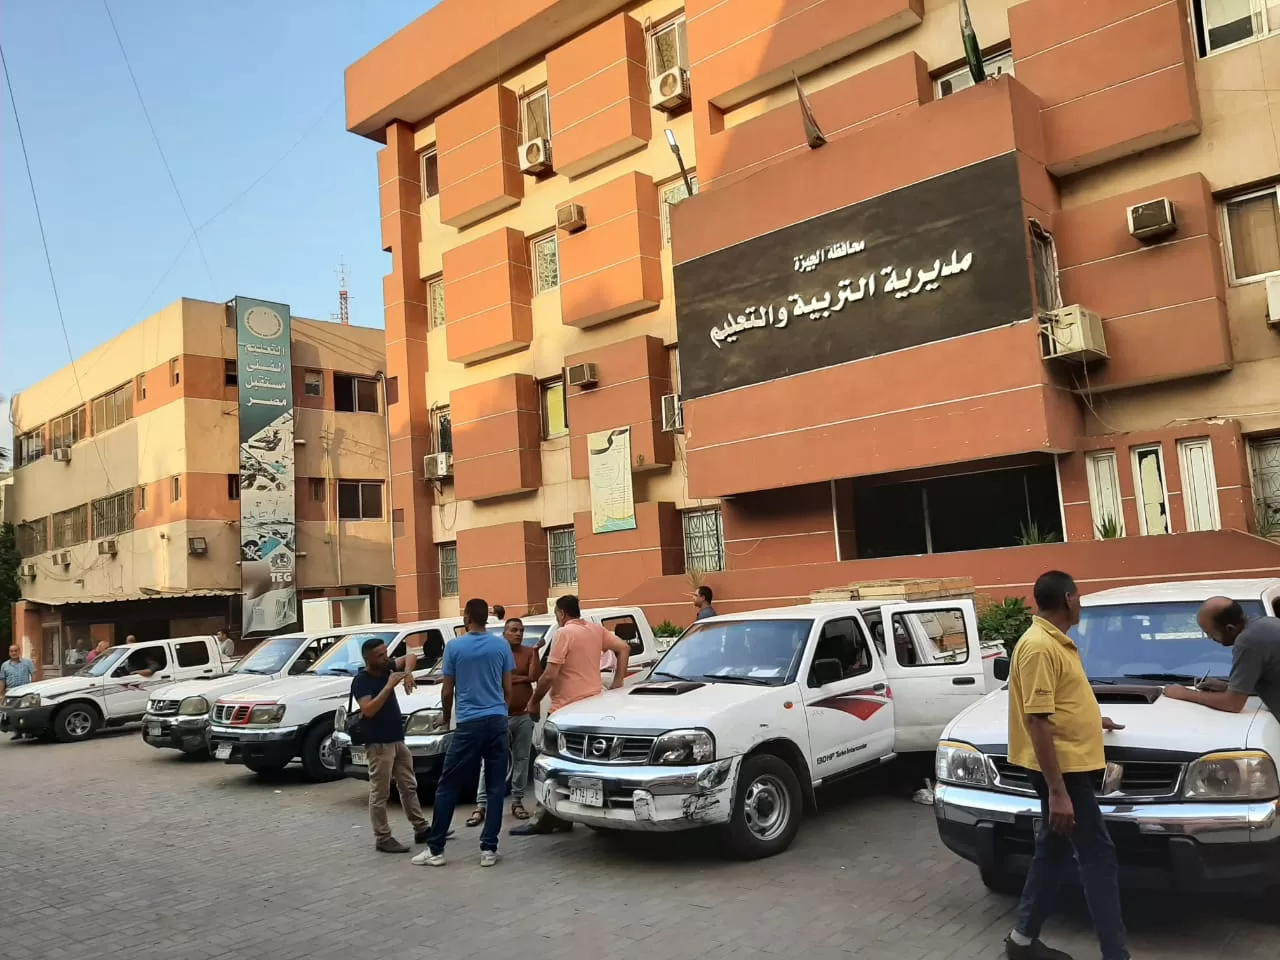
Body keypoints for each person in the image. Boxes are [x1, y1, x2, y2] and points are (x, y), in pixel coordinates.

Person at [1004, 571, 1128, 960]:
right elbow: (1037, 721)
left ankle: (1022, 941)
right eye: (1080, 597)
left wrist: (1093, 720)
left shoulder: (1054, 642)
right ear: (1069, 599)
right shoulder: (1040, 647)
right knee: (1098, 856)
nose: (1081, 604)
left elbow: (1057, 705)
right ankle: (1116, 955)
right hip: (1063, 771)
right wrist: (1058, 792)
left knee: (1054, 850)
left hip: (1066, 766)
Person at [510, 595, 631, 837]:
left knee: (550, 764)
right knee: (582, 765)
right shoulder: (596, 630)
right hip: (592, 707)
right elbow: (624, 648)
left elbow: (550, 674)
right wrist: (618, 681)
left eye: (557, 614)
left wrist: (534, 701)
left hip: (564, 711)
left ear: (561, 613)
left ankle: (542, 819)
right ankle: (564, 815)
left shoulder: (564, 633)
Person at [414, 598, 515, 868]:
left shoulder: (454, 647)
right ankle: (489, 849)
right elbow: (508, 688)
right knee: (495, 788)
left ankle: (436, 850)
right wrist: (501, 711)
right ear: (486, 618)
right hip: (496, 721)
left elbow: (447, 690)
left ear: (467, 618)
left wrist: (447, 717)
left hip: (469, 723)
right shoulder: (501, 645)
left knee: (448, 785)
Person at [351, 636, 425, 853]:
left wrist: (407, 672)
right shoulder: (362, 681)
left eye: (386, 653)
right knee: (380, 791)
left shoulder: (387, 666)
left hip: (397, 739)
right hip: (378, 743)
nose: (386, 658)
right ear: (368, 659)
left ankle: (421, 828)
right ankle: (382, 837)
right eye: (380, 655)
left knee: (408, 785)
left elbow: (410, 656)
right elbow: (368, 710)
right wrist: (389, 685)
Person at [466, 618, 541, 826]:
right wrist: (521, 678)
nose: (518, 634)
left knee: (522, 759)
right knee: (489, 760)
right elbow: (495, 679)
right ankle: (481, 805)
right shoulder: (496, 651)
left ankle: (517, 801)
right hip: (499, 715)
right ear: (504, 633)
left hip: (523, 715)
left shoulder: (528, 652)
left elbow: (535, 676)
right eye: (514, 630)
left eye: (521, 630)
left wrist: (535, 653)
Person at [1163, 597, 1280, 717]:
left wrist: (1184, 693)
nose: (1209, 638)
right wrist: (1227, 687)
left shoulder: (1248, 641)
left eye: (1210, 633)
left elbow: (1233, 704)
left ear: (1230, 629)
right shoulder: (1266, 623)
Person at [1, 645, 38, 740]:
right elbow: (2, 680)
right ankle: (17, 732)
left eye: (15, 651)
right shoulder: (5, 665)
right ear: (9, 652)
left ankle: (29, 732)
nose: (13, 653)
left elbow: (33, 675)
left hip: (25, 691)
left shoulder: (27, 662)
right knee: (13, 713)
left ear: (19, 651)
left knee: (27, 713)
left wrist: (33, 688)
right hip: (11, 692)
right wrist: (1, 693)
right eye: (11, 651)